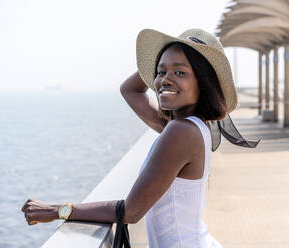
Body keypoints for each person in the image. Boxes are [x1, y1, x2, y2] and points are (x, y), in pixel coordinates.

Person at [21, 28, 243, 247]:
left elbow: (131, 211)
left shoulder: (180, 131)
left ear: (203, 83)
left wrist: (56, 210)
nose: (165, 79)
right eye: (161, 71)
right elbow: (131, 90)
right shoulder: (189, 126)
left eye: (180, 72)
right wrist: (166, 54)